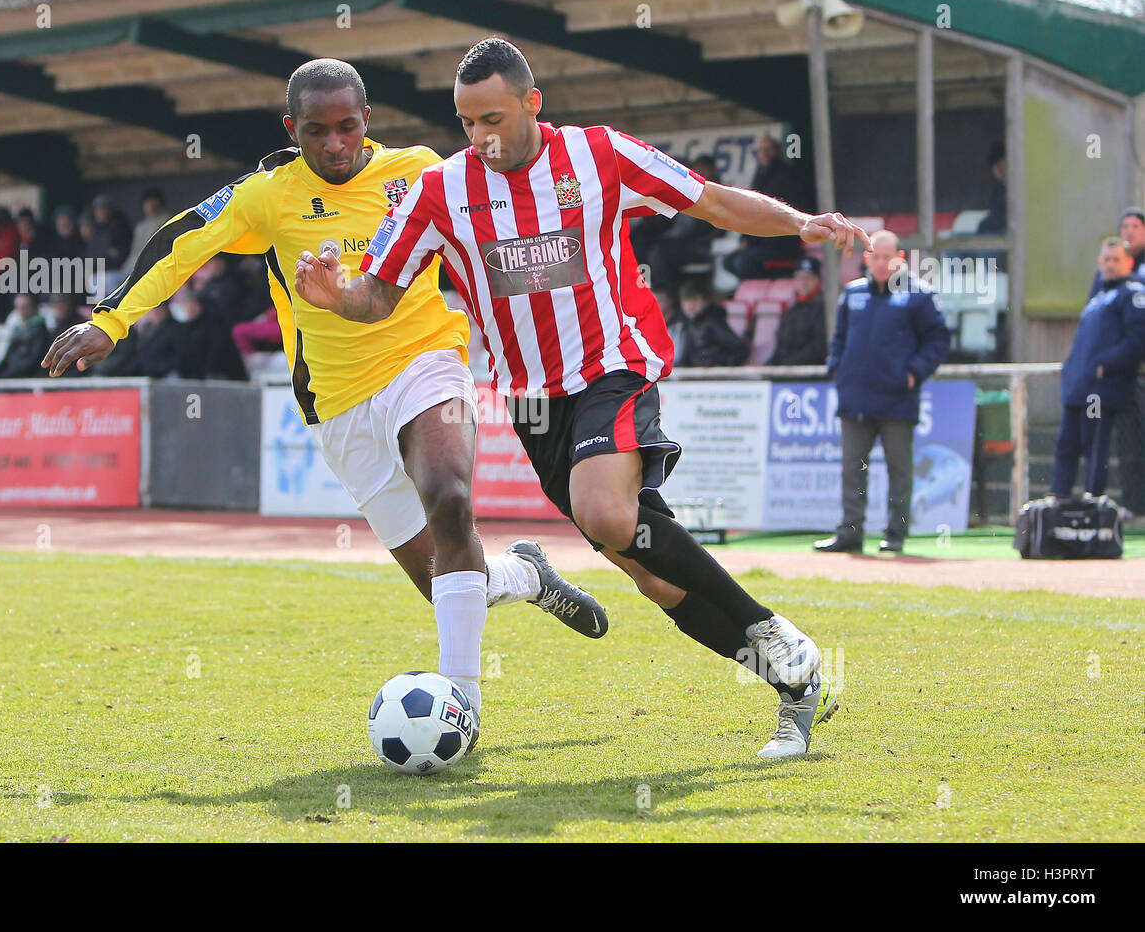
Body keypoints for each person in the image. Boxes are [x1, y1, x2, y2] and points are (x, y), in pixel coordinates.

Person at [297, 37, 872, 759]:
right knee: (650, 573)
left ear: (533, 103)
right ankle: (795, 690)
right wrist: (336, 298)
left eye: (495, 118)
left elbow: (713, 201)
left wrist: (798, 221)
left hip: (612, 368)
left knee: (605, 512)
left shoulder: (599, 155)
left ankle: (772, 632)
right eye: (468, 122)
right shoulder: (439, 191)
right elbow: (377, 292)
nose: (483, 137)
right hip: (536, 407)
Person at [41, 57, 604, 723]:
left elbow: (495, 223)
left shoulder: (416, 170)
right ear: (293, 128)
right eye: (316, 132)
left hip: (424, 357)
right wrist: (111, 319)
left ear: (367, 122)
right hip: (337, 403)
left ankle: (464, 707)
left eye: (346, 128)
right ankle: (528, 576)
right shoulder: (267, 193)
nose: (334, 145)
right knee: (451, 586)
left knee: (450, 498)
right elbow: (184, 242)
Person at [815, 230, 949, 555]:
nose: (881, 263)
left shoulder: (919, 295)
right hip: (855, 399)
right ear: (866, 259)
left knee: (898, 470)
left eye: (887, 257)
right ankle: (850, 533)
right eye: (875, 256)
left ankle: (895, 534)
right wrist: (837, 368)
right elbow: (840, 338)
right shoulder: (853, 293)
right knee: (854, 469)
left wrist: (914, 374)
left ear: (900, 259)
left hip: (897, 400)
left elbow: (939, 339)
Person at [1051, 237, 1145, 501]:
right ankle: (1059, 501)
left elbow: (1138, 340)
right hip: (1079, 385)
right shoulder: (1099, 297)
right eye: (1106, 259)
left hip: (1101, 389)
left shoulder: (1132, 294)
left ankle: (1092, 504)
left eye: (1116, 259)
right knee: (1066, 445)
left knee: (1095, 446)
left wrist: (1106, 364)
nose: (1110, 265)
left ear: (1128, 262)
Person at [722, 135, 809, 281]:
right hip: (760, 242)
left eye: (769, 149)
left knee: (746, 262)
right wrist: (746, 240)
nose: (764, 154)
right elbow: (750, 212)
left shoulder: (787, 176)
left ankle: (764, 292)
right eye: (761, 150)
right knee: (729, 261)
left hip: (781, 243)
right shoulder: (760, 177)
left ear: (778, 151)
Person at [669, 276, 748, 367]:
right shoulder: (682, 324)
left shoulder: (714, 322)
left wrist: (722, 366)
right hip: (691, 375)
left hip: (712, 377)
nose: (690, 306)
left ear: (706, 301)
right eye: (686, 301)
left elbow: (740, 349)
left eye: (695, 300)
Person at [766, 255, 828, 366]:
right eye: (799, 278)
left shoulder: (825, 309)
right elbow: (781, 347)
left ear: (818, 280)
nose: (803, 282)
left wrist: (787, 365)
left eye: (808, 277)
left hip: (812, 375)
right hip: (787, 372)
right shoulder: (790, 311)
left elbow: (819, 348)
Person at [0, 293, 51, 379]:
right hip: (11, 376)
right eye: (18, 307)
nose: (21, 311)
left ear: (34, 307)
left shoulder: (40, 331)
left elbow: (33, 361)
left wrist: (7, 374)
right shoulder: (18, 328)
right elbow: (9, 355)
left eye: (25, 307)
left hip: (27, 379)